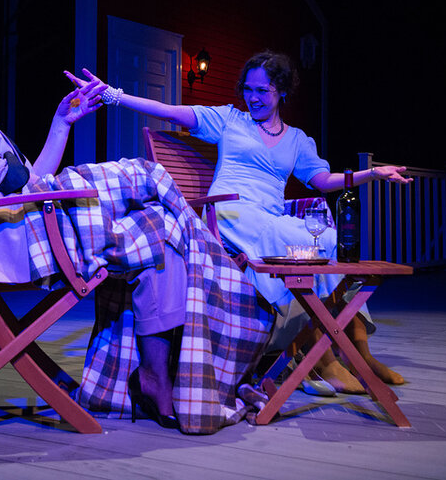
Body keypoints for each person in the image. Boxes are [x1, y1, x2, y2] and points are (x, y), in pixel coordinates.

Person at [0, 17, 271, 433]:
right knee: (148, 173)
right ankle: (227, 282)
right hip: (4, 242)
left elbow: (30, 179)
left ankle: (155, 379)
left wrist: (61, 123)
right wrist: (14, 170)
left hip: (22, 226)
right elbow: (3, 178)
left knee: (163, 233)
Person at [71, 51, 412, 393]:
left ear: (281, 91)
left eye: (262, 90)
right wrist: (112, 94)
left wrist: (372, 175)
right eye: (248, 89)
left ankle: (360, 354)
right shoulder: (229, 120)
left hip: (269, 216)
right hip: (231, 213)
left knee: (329, 241)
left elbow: (322, 180)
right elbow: (169, 111)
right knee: (290, 237)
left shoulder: (296, 140)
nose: (253, 98)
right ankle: (324, 359)